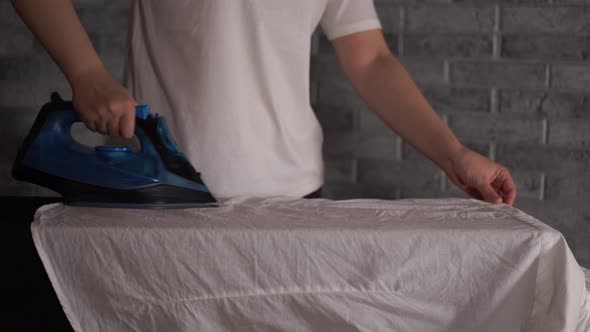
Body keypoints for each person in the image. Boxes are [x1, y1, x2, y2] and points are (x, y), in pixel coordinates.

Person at [11, 0, 517, 205]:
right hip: (167, 201)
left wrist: (454, 154)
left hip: (294, 197)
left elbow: (369, 59)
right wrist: (87, 73)